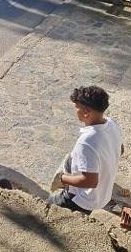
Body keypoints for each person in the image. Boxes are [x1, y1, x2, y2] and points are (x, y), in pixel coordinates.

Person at [47, 86, 123, 215]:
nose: (75, 109)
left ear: (86, 112)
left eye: (77, 106)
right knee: (71, 159)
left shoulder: (87, 142)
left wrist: (63, 179)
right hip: (104, 193)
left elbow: (90, 181)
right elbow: (120, 149)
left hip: (83, 200)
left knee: (47, 204)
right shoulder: (111, 124)